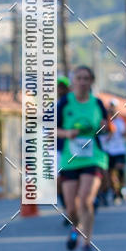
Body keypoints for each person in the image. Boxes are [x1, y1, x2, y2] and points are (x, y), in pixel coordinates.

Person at [57, 66, 110, 251]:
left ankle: (87, 243)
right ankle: (75, 228)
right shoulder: (65, 103)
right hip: (70, 159)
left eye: (86, 78)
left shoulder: (97, 103)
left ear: (91, 81)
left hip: (93, 157)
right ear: (73, 81)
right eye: (79, 78)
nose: (82, 81)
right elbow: (52, 129)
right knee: (71, 207)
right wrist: (67, 133)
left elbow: (106, 127)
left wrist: (105, 127)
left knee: (86, 199)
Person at [102, 100, 126, 204]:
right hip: (109, 150)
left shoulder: (122, 121)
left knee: (119, 170)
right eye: (110, 107)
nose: (112, 109)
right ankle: (115, 192)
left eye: (113, 107)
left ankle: (120, 189)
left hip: (120, 150)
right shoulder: (106, 121)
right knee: (111, 174)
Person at [56, 75, 71, 225]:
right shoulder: (54, 106)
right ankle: (68, 209)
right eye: (58, 86)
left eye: (62, 86)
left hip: (75, 149)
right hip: (59, 149)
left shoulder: (73, 103)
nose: (60, 89)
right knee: (60, 182)